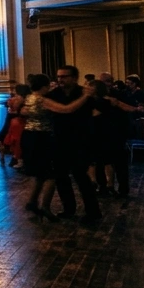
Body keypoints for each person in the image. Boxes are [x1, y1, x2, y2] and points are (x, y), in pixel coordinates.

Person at [21, 73, 90, 219]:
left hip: (29, 135)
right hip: (42, 138)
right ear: (45, 86)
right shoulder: (42, 100)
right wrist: (84, 97)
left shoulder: (29, 97)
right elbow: (67, 109)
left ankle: (32, 201)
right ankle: (45, 207)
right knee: (52, 174)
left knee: (39, 173)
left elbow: (22, 111)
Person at [47, 65, 102, 223]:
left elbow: (97, 110)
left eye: (64, 76)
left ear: (74, 77)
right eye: (59, 76)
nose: (60, 79)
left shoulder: (84, 93)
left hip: (80, 141)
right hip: (59, 140)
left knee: (81, 177)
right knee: (61, 177)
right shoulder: (55, 94)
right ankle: (68, 209)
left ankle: (93, 211)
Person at [0, 84, 30, 168]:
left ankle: (16, 159)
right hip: (18, 121)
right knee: (17, 140)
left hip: (16, 122)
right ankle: (17, 159)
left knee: (15, 140)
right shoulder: (26, 99)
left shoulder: (15, 99)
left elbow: (11, 107)